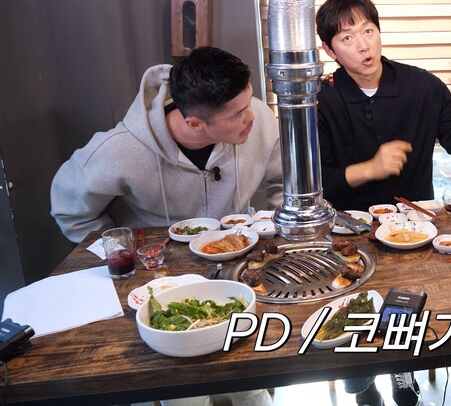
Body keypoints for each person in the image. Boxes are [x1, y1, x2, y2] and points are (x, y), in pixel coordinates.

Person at [315, 0, 451, 406]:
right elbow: (315, 183)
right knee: (353, 308)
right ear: (329, 50)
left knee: (412, 304)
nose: (363, 45)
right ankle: (362, 383)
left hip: (416, 225)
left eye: (368, 31)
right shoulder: (321, 98)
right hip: (349, 230)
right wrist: (369, 168)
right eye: (347, 38)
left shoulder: (422, 85)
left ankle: (403, 368)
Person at [51, 47, 280, 406]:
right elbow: (69, 209)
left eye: (249, 101)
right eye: (238, 113)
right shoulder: (120, 150)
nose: (252, 116)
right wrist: (121, 254)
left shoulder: (259, 120)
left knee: (248, 383)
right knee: (184, 395)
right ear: (195, 124)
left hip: (237, 272)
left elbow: (286, 181)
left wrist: (275, 227)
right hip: (161, 283)